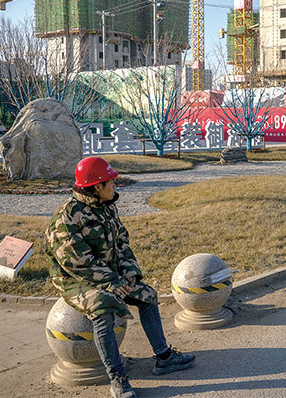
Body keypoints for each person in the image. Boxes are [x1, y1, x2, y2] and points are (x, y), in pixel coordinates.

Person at [45, 156, 194, 398]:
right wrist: (112, 284)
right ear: (96, 187)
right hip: (76, 279)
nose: (115, 185)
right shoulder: (67, 216)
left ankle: (164, 356)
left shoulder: (107, 207)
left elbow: (122, 242)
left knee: (147, 295)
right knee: (104, 307)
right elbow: (76, 261)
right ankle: (117, 377)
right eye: (110, 181)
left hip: (110, 274)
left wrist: (130, 274)